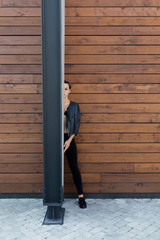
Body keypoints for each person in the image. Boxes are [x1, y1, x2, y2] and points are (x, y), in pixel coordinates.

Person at [64, 80, 87, 209]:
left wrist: (69, 140)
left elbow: (76, 125)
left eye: (66, 89)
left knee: (74, 167)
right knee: (55, 169)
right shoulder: (55, 105)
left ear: (69, 91)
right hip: (57, 139)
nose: (64, 91)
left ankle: (81, 197)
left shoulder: (74, 106)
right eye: (61, 89)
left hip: (70, 139)